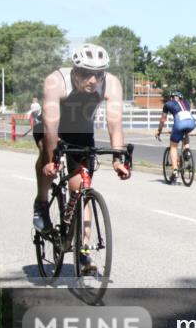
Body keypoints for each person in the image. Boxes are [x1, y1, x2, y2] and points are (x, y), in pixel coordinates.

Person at [32, 44, 131, 274]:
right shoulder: (56, 81)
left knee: (82, 189)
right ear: (75, 71)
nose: (93, 80)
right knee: (46, 160)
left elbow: (114, 123)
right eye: (86, 73)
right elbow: (51, 125)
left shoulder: (112, 83)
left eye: (98, 74)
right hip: (51, 129)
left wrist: (118, 159)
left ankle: (83, 250)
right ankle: (42, 202)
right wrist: (51, 159)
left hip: (81, 134)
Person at [156, 90, 196, 184]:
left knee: (173, 146)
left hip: (179, 124)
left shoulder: (168, 104)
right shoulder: (187, 103)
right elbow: (184, 116)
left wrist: (159, 130)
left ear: (172, 97)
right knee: (185, 132)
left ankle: (175, 171)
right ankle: (187, 150)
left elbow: (163, 120)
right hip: (191, 123)